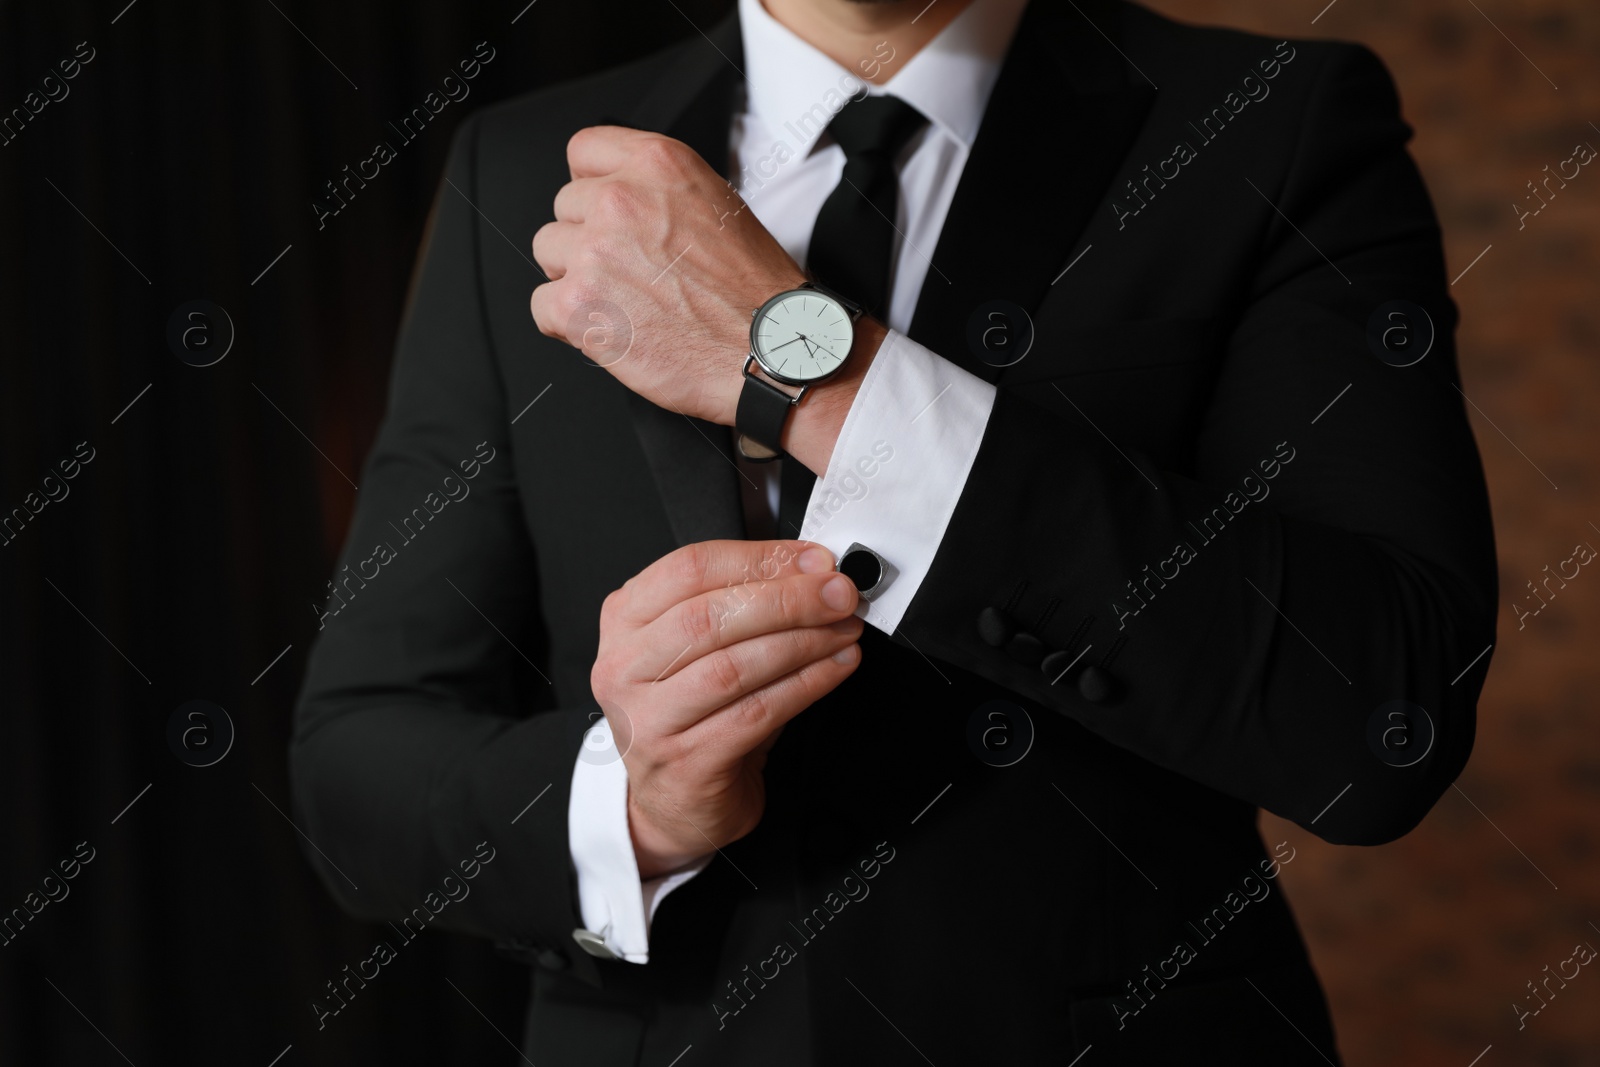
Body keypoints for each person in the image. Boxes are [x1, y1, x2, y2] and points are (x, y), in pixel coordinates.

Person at [291, 0, 1498, 1062]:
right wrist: (634, 803)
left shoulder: (1272, 122)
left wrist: (807, 366)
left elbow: (1377, 715)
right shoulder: (519, 171)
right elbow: (361, 769)